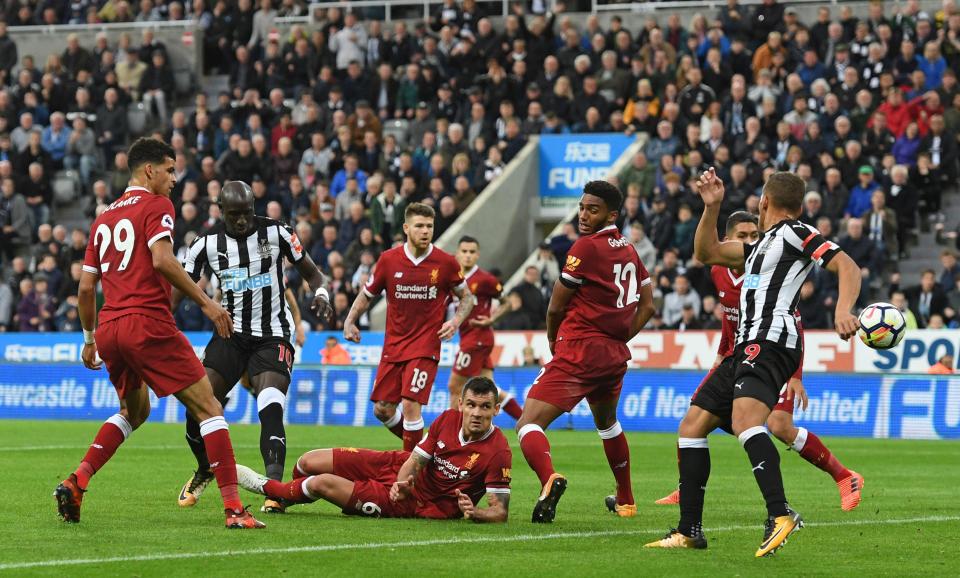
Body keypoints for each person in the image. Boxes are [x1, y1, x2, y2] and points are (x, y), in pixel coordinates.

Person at [646, 170, 860, 556]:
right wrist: (711, 207)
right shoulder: (760, 246)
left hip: (771, 339)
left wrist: (843, 309)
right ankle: (688, 530)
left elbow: (846, 265)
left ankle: (780, 513)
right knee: (692, 426)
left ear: (764, 202)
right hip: (745, 344)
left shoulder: (796, 232)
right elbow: (706, 252)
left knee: (748, 421)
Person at [57, 137, 264, 529]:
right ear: (148, 170)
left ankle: (77, 480)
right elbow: (162, 260)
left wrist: (88, 339)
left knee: (135, 411)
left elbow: (85, 288)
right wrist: (208, 303)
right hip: (147, 323)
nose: (174, 178)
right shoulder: (156, 205)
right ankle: (235, 509)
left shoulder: (103, 219)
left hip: (110, 329)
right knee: (208, 407)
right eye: (169, 170)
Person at [176, 180, 331, 513]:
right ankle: (205, 467)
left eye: (247, 213)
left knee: (270, 403)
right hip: (230, 334)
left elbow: (314, 275)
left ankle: (276, 491)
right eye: (235, 215)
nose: (243, 220)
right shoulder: (205, 245)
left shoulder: (278, 234)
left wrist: (321, 294)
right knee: (196, 408)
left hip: (273, 333)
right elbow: (180, 287)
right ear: (221, 211)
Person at [516, 180, 655, 523]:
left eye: (592, 209)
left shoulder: (586, 247)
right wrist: (621, 336)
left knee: (528, 424)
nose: (583, 214)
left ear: (612, 214)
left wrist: (552, 340)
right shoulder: (628, 248)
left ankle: (549, 478)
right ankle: (626, 500)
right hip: (612, 356)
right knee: (607, 423)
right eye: (581, 207)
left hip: (579, 350)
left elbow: (555, 307)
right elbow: (649, 306)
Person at [236, 376, 511, 522]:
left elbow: (500, 512)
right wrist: (402, 482)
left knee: (321, 483)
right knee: (308, 462)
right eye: (472, 405)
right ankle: (288, 497)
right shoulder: (448, 419)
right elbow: (415, 460)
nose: (477, 413)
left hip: (417, 503)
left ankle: (267, 488)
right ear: (460, 404)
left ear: (496, 410)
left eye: (485, 407)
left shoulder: (498, 451)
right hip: (397, 469)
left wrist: (477, 513)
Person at [343, 203, 475, 451]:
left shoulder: (445, 263)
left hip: (425, 345)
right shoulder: (388, 260)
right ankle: (425, 451)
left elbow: (467, 297)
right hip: (393, 346)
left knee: (411, 403)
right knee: (382, 409)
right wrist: (350, 320)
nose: (425, 231)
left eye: (429, 226)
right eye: (419, 226)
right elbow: (367, 294)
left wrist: (455, 321)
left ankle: (409, 475)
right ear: (406, 228)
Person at [446, 236, 523, 420]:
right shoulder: (454, 278)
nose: (468, 256)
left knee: (455, 386)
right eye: (464, 251)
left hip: (477, 337)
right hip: (469, 337)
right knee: (491, 388)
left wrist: (490, 319)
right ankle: (526, 421)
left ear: (478, 255)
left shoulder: (485, 279)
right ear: (457, 253)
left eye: (472, 252)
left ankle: (450, 435)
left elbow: (507, 303)